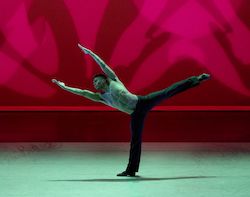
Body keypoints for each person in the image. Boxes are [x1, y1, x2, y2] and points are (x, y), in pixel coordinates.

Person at [52, 43, 210, 177]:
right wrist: (64, 87)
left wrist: (90, 53)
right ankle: (131, 170)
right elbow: (82, 93)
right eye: (93, 83)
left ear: (104, 79)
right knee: (135, 141)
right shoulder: (101, 97)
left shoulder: (113, 80)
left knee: (167, 92)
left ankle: (196, 79)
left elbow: (103, 65)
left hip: (143, 102)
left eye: (97, 80)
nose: (95, 83)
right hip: (135, 115)